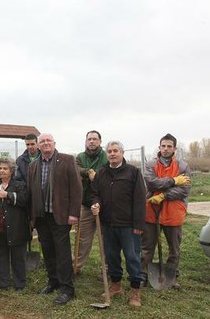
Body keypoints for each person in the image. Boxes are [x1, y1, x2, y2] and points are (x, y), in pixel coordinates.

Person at [27, 133, 82, 305]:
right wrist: (31, 216)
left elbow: (77, 188)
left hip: (61, 215)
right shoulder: (33, 166)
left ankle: (67, 288)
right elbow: (30, 192)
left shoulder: (67, 160)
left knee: (62, 252)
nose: (45, 144)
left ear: (54, 143)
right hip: (41, 216)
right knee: (48, 250)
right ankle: (53, 281)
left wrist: (74, 213)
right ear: (37, 146)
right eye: (41, 142)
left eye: (48, 141)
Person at [90, 140, 146, 307]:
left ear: (122, 153)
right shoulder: (101, 173)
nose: (112, 154)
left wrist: (138, 225)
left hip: (128, 225)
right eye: (109, 151)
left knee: (132, 257)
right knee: (112, 256)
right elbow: (94, 193)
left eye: (115, 151)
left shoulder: (133, 172)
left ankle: (135, 291)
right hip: (107, 224)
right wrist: (95, 203)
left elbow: (140, 200)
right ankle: (116, 286)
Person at [141, 133, 191, 289]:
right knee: (147, 246)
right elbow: (152, 183)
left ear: (175, 148)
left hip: (174, 212)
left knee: (174, 248)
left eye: (169, 146)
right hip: (151, 210)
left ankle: (172, 276)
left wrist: (163, 195)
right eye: (163, 146)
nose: (166, 149)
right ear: (159, 147)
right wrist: (174, 181)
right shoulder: (150, 164)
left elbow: (184, 190)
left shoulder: (183, 166)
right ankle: (142, 274)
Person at [0, 157, 30, 291]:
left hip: (17, 229)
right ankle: (4, 284)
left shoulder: (20, 186)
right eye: (0, 168)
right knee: (1, 257)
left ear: (12, 170)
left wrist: (8, 195)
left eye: (5, 168)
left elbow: (24, 201)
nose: (2, 171)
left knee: (18, 258)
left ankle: (20, 284)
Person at [74, 130, 108, 274]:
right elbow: (75, 169)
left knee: (106, 240)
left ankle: (106, 268)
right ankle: (76, 266)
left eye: (95, 139)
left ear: (100, 141)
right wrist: (88, 172)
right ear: (86, 142)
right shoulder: (80, 157)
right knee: (82, 239)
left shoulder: (106, 156)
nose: (92, 142)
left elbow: (107, 171)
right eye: (89, 139)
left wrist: (97, 175)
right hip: (86, 203)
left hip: (104, 204)